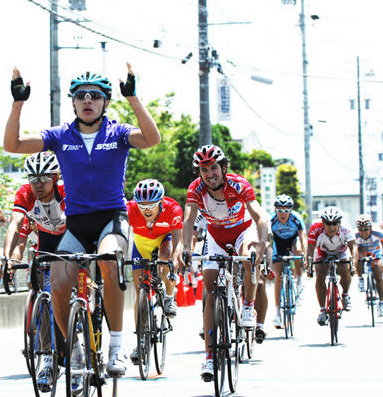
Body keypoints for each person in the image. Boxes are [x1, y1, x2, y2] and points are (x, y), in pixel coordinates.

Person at [3, 63, 161, 381]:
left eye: (95, 96)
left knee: (108, 262)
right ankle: (74, 349)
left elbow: (151, 138)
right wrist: (18, 103)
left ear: (105, 102)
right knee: (59, 284)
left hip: (111, 219)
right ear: (73, 102)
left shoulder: (117, 133)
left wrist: (133, 98)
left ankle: (115, 347)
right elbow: (13, 145)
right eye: (81, 96)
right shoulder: (61, 136)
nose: (87, 101)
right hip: (76, 222)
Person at [181, 145, 269, 382]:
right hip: (216, 236)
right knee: (210, 293)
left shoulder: (238, 184)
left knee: (249, 254)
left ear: (223, 168)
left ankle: (249, 305)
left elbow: (260, 216)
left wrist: (261, 242)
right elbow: (188, 221)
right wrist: (187, 248)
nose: (209, 174)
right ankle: (209, 357)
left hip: (243, 230)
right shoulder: (196, 189)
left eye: (213, 168)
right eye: (204, 170)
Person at [0, 151, 65, 391]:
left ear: (55, 177)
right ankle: (47, 358)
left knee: (73, 283)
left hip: (70, 238)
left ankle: (82, 342)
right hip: (46, 241)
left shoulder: (66, 192)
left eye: (43, 179)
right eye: (32, 178)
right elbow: (15, 226)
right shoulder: (25, 194)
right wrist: (6, 259)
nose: (37, 184)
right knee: (46, 295)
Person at [126, 179, 183, 364]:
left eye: (151, 204)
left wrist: (175, 260)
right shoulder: (129, 209)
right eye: (142, 205)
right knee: (140, 291)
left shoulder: (172, 209)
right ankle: (140, 341)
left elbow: (178, 240)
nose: (147, 209)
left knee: (166, 255)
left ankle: (168, 297)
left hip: (163, 239)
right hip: (140, 243)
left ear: (161, 202)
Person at [306, 206, 357, 326]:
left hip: (341, 251)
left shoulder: (346, 229)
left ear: (340, 223)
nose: (331, 227)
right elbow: (310, 248)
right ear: (322, 222)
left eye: (335, 223)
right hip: (323, 252)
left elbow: (353, 247)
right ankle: (322, 310)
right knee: (320, 274)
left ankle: (345, 294)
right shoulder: (315, 229)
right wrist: (309, 265)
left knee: (345, 270)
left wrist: (353, 263)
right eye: (328, 224)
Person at [270, 194, 307, 329]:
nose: (283, 213)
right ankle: (277, 314)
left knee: (298, 250)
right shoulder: (271, 220)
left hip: (293, 240)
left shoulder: (296, 219)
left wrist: (304, 256)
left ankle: (299, 279)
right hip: (278, 243)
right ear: (275, 210)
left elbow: (303, 238)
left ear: (290, 210)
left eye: (286, 210)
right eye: (279, 210)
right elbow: (268, 240)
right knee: (279, 276)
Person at [353, 214, 383, 317]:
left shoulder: (378, 233)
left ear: (371, 227)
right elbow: (352, 250)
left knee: (378, 275)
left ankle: (381, 303)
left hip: (376, 253)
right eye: (360, 229)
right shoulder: (354, 235)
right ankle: (360, 279)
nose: (363, 232)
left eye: (366, 229)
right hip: (363, 253)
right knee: (358, 257)